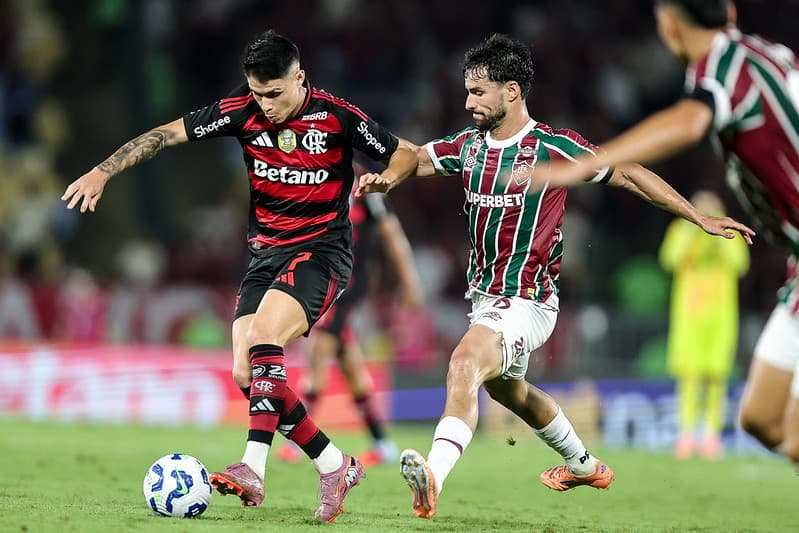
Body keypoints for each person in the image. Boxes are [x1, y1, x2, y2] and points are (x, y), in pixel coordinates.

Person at [357, 33, 754, 519]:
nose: (467, 103)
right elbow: (416, 157)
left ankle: (433, 477)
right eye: (466, 92)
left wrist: (696, 216)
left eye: (478, 92)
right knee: (511, 392)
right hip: (485, 298)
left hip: (527, 300)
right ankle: (583, 465)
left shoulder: (552, 147)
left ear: (511, 92)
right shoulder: (468, 146)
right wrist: (388, 176)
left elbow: (628, 172)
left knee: (464, 362)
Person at [61, 29, 417, 523]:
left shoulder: (337, 117)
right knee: (247, 374)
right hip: (265, 256)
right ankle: (335, 465)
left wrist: (387, 178)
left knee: (265, 338)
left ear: (300, 77)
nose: (265, 105)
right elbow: (165, 134)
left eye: (274, 93)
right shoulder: (240, 112)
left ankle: (253, 467)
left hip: (322, 252)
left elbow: (404, 152)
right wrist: (103, 170)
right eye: (257, 93)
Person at [528, 0, 799, 465]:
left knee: (788, 432)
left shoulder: (724, 70)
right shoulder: (766, 56)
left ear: (669, 25)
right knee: (761, 418)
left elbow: (690, 122)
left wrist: (586, 164)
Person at [278, 173, 424, 466]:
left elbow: (391, 233)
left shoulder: (365, 185)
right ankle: (382, 442)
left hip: (347, 283)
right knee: (349, 363)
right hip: (323, 278)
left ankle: (296, 441)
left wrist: (410, 283)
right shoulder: (316, 177)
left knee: (319, 350)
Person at [660, 190, 750, 459]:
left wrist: (719, 232)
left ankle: (711, 436)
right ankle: (686, 435)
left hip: (720, 316)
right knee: (688, 375)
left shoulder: (731, 234)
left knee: (716, 376)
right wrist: (694, 224)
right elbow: (669, 259)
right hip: (688, 314)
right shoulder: (680, 230)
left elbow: (740, 264)